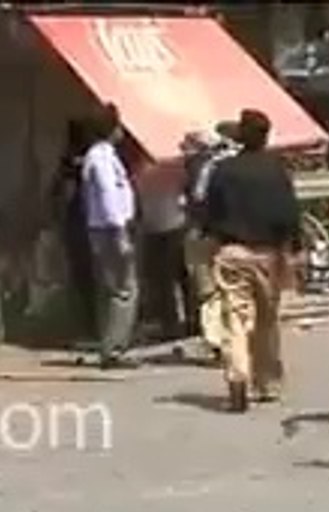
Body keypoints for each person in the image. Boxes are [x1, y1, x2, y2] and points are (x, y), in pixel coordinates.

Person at [204, 109, 302, 412]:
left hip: (232, 251)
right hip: (267, 254)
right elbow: (289, 213)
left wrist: (212, 238)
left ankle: (238, 374)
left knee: (235, 317)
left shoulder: (223, 170)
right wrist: (294, 247)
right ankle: (267, 382)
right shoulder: (276, 170)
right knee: (267, 319)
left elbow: (208, 211)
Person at [80, 103, 140, 369]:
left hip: (102, 229)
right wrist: (120, 231)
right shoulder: (101, 158)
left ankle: (108, 343)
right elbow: (107, 195)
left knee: (109, 288)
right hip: (110, 229)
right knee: (123, 289)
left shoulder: (100, 155)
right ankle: (115, 348)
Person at [181, 122, 240, 359]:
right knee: (229, 288)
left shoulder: (206, 167)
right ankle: (230, 337)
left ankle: (216, 340)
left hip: (206, 232)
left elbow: (198, 198)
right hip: (233, 234)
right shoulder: (237, 162)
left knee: (209, 290)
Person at [52, 119, 98, 342]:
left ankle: (87, 327)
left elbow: (62, 194)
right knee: (95, 278)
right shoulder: (93, 160)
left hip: (77, 224)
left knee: (82, 278)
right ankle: (95, 326)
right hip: (93, 225)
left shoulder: (69, 164)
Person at [136, 160, 192, 340]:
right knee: (181, 276)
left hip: (154, 227)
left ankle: (170, 324)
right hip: (175, 224)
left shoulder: (139, 170)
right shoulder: (175, 167)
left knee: (162, 280)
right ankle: (189, 321)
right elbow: (187, 192)